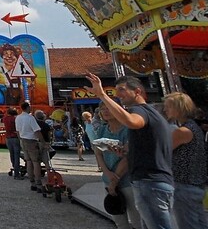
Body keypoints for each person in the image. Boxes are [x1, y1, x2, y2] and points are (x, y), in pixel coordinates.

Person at [85, 73, 174, 229]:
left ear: (137, 91)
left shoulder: (139, 111)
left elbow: (131, 121)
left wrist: (102, 95)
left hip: (149, 182)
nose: (118, 94)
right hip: (153, 181)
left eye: (122, 89)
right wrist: (125, 152)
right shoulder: (151, 113)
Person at [163, 92, 207, 229]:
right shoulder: (193, 127)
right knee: (200, 223)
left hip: (184, 184)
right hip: (195, 183)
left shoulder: (182, 131)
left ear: (178, 108)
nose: (165, 110)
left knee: (189, 224)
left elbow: (162, 151)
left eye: (168, 106)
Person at [94, 104, 142, 229]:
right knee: (119, 219)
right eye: (102, 109)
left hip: (127, 179)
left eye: (108, 108)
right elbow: (98, 153)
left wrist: (114, 180)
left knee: (137, 219)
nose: (105, 111)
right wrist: (107, 173)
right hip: (108, 179)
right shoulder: (102, 130)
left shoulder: (128, 130)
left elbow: (128, 158)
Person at [16, 101, 44, 193]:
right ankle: (38, 183)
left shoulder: (18, 118)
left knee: (28, 161)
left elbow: (18, 131)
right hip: (31, 140)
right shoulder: (30, 118)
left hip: (23, 140)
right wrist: (42, 141)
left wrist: (20, 139)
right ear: (28, 107)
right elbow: (37, 131)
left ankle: (32, 182)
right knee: (36, 162)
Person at [3, 107, 22, 179]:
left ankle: (14, 167)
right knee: (17, 155)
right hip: (15, 137)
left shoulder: (5, 119)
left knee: (12, 154)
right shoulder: (15, 119)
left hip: (8, 138)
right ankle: (17, 173)